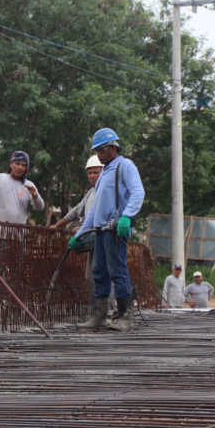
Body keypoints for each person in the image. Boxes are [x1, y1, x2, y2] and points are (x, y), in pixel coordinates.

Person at [70, 127, 145, 331]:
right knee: (99, 273)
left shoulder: (125, 166)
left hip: (115, 230)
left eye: (101, 151)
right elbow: (94, 210)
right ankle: (99, 316)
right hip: (100, 231)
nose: (98, 155)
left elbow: (138, 192)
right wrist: (79, 234)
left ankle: (124, 317)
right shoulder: (104, 175)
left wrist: (127, 217)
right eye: (96, 151)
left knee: (118, 271)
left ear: (112, 147)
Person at [51, 155, 111, 309]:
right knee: (90, 276)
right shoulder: (91, 193)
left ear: (103, 172)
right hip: (94, 238)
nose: (92, 176)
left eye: (96, 172)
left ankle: (114, 308)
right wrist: (57, 225)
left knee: (107, 274)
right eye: (90, 173)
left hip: (107, 238)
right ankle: (102, 307)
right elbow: (76, 211)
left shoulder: (108, 191)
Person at [0, 151, 44, 224]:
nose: (20, 167)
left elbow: (40, 208)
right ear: (11, 164)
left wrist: (35, 195)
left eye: (23, 165)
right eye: (17, 164)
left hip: (18, 232)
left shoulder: (29, 186)